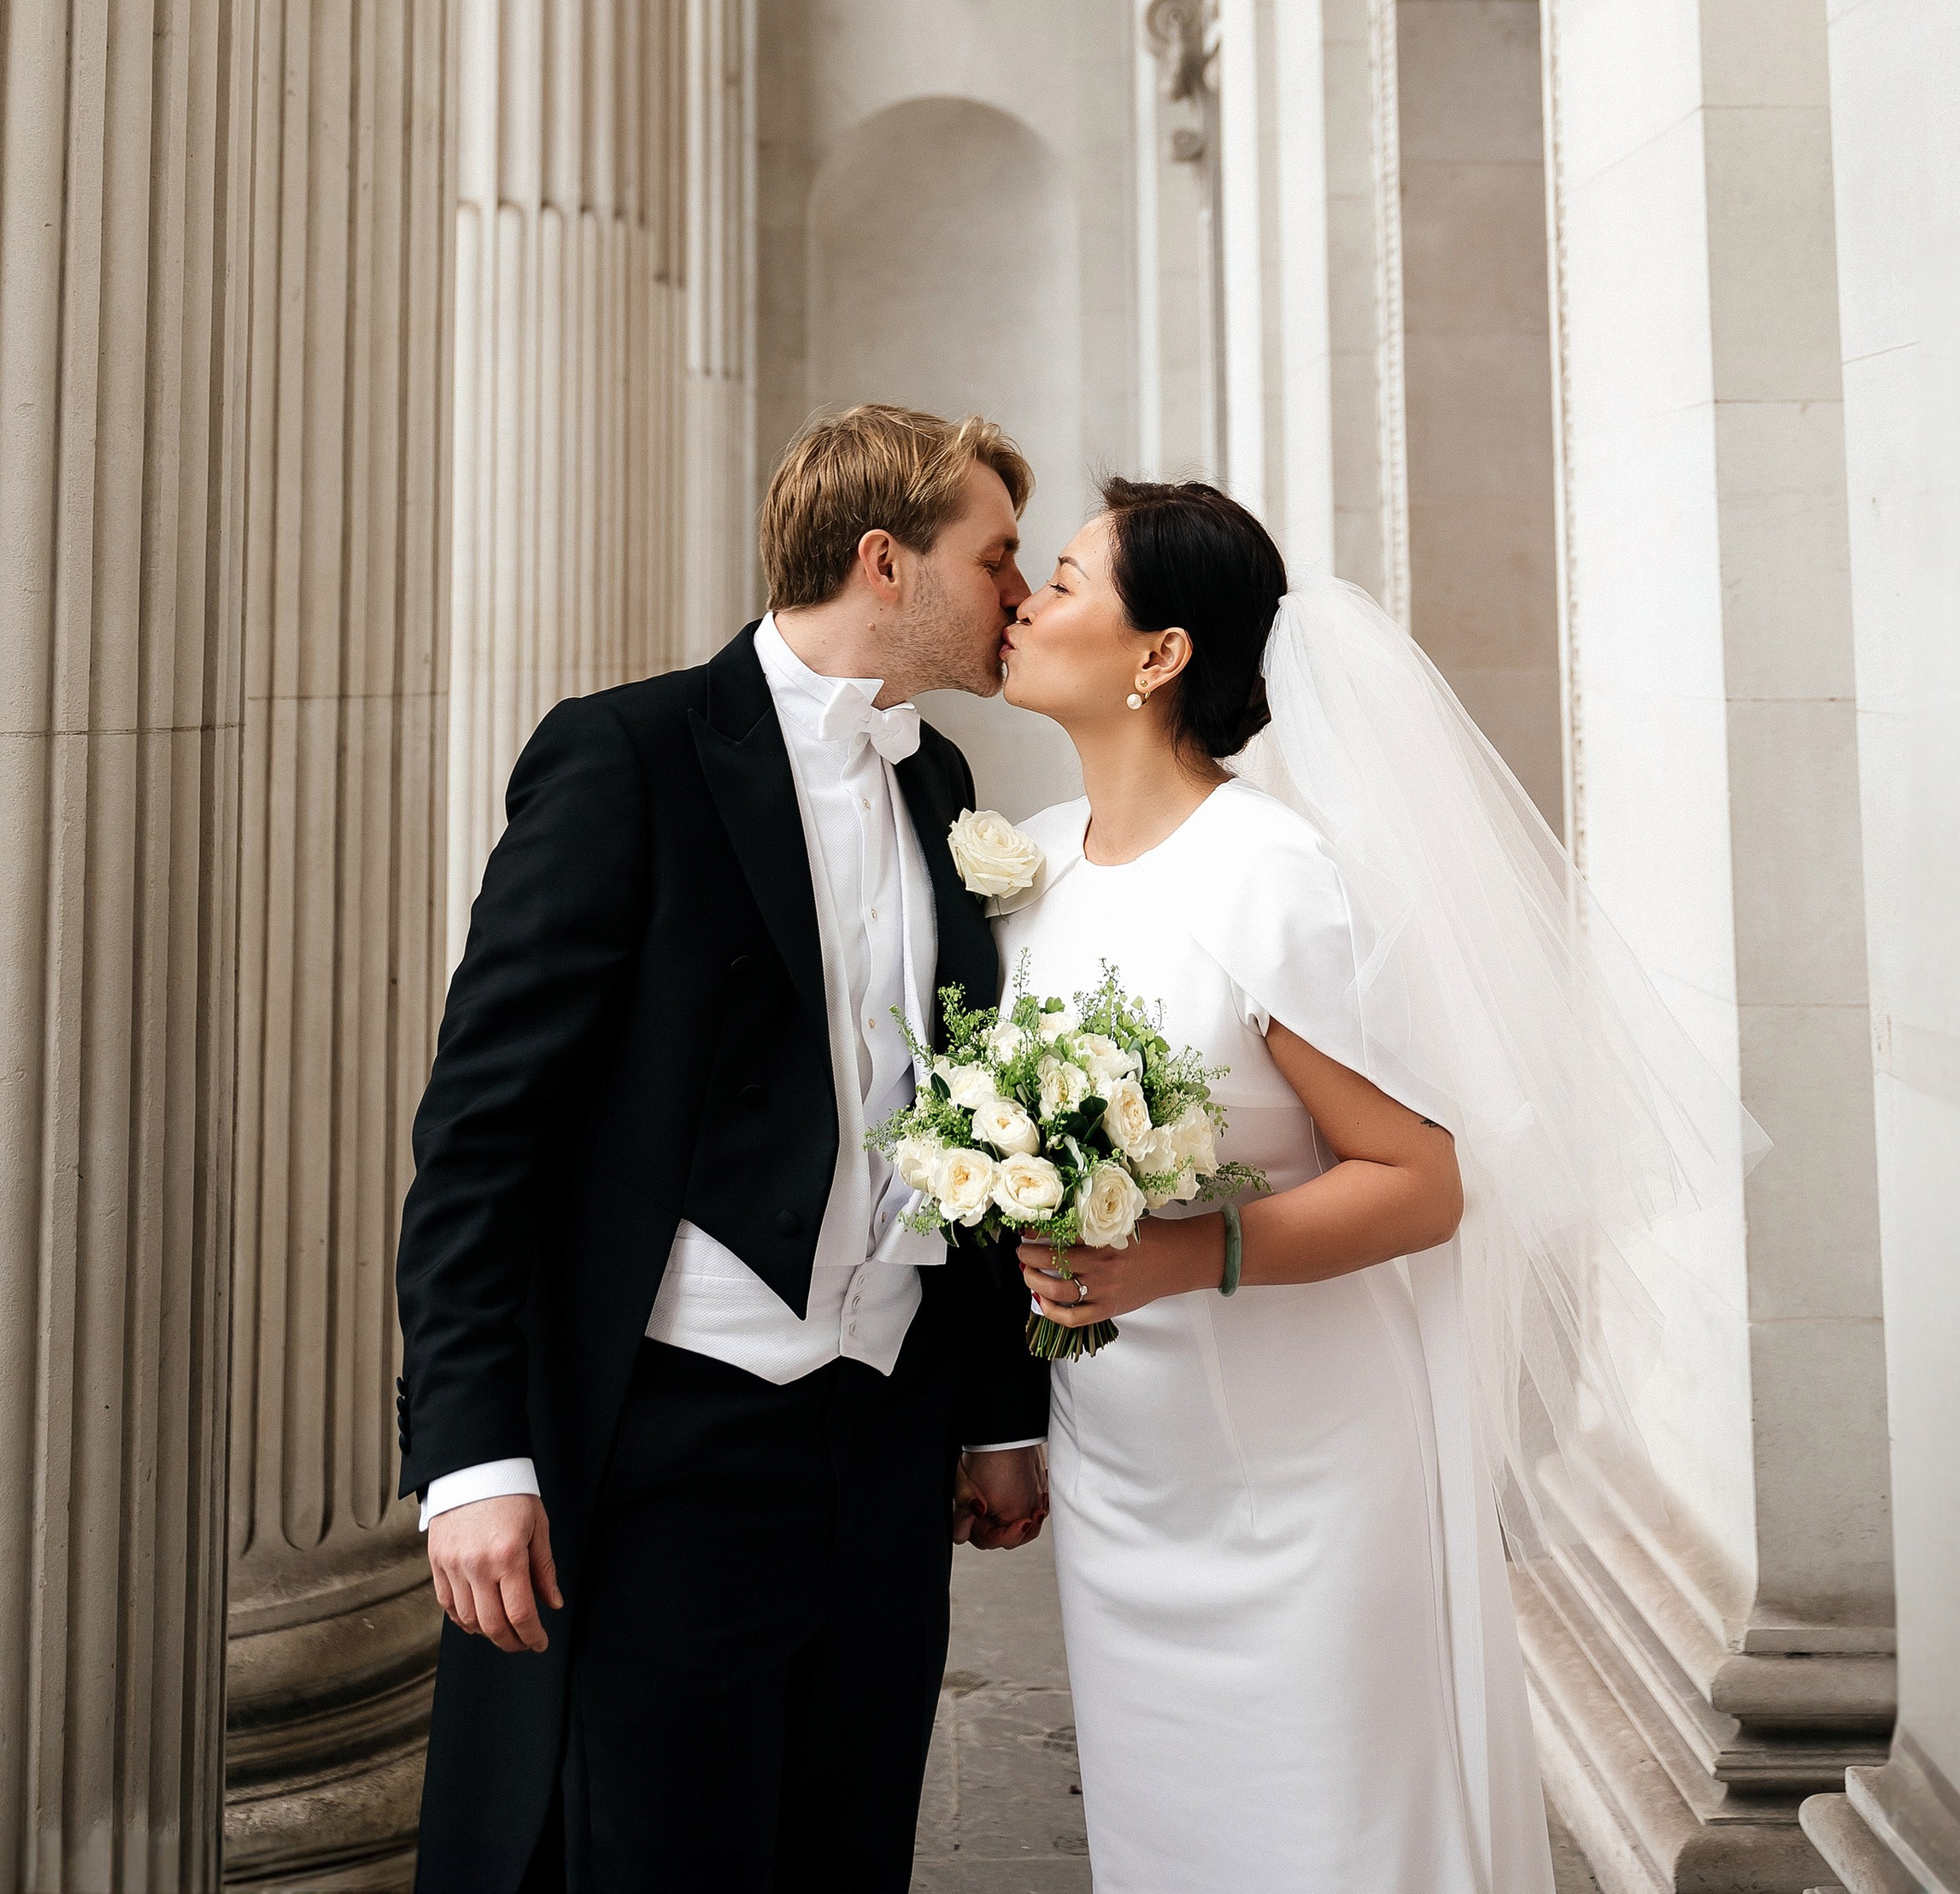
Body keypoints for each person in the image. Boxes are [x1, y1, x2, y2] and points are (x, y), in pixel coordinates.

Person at [993, 478, 1763, 1894]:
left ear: (1159, 655)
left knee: (1324, 1832)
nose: (1023, 605)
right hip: (1129, 1468)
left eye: (1061, 579)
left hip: (1303, 1481)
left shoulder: (1269, 876)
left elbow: (1419, 1183)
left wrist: (1177, 1257)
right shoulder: (1029, 865)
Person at [394, 404, 1055, 1894]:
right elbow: (481, 1133)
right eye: (999, 555)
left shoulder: (939, 781)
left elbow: (960, 1106)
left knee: (846, 1847)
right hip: (666, 1440)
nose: (1022, 592)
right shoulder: (624, 756)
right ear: (886, 562)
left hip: (884, 1440)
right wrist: (473, 1457)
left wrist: (997, 1412)